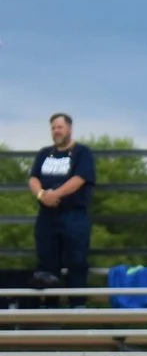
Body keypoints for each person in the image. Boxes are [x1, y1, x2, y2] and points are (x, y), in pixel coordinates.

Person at [28, 113, 95, 287]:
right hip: (47, 216)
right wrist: (42, 195)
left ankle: (77, 307)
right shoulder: (44, 154)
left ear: (69, 129)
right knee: (47, 262)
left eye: (60, 127)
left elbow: (79, 179)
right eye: (53, 128)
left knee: (77, 260)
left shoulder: (82, 152)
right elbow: (33, 178)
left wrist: (55, 195)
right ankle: (51, 308)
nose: (56, 131)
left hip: (74, 216)